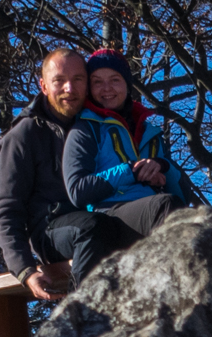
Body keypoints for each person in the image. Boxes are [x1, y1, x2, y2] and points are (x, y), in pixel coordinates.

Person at [56, 48, 191, 281]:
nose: (106, 88)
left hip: (155, 210)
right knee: (165, 207)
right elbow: (78, 191)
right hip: (110, 215)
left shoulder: (151, 132)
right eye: (97, 82)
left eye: (115, 80)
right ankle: (176, 297)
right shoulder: (85, 130)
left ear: (128, 85)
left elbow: (184, 194)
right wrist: (131, 171)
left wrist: (163, 167)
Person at [0, 48, 88, 302]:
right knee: (94, 229)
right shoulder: (23, 136)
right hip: (53, 233)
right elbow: (6, 212)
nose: (70, 88)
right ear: (43, 86)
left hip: (99, 223)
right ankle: (87, 324)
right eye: (59, 81)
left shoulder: (100, 124)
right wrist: (25, 269)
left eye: (78, 79)